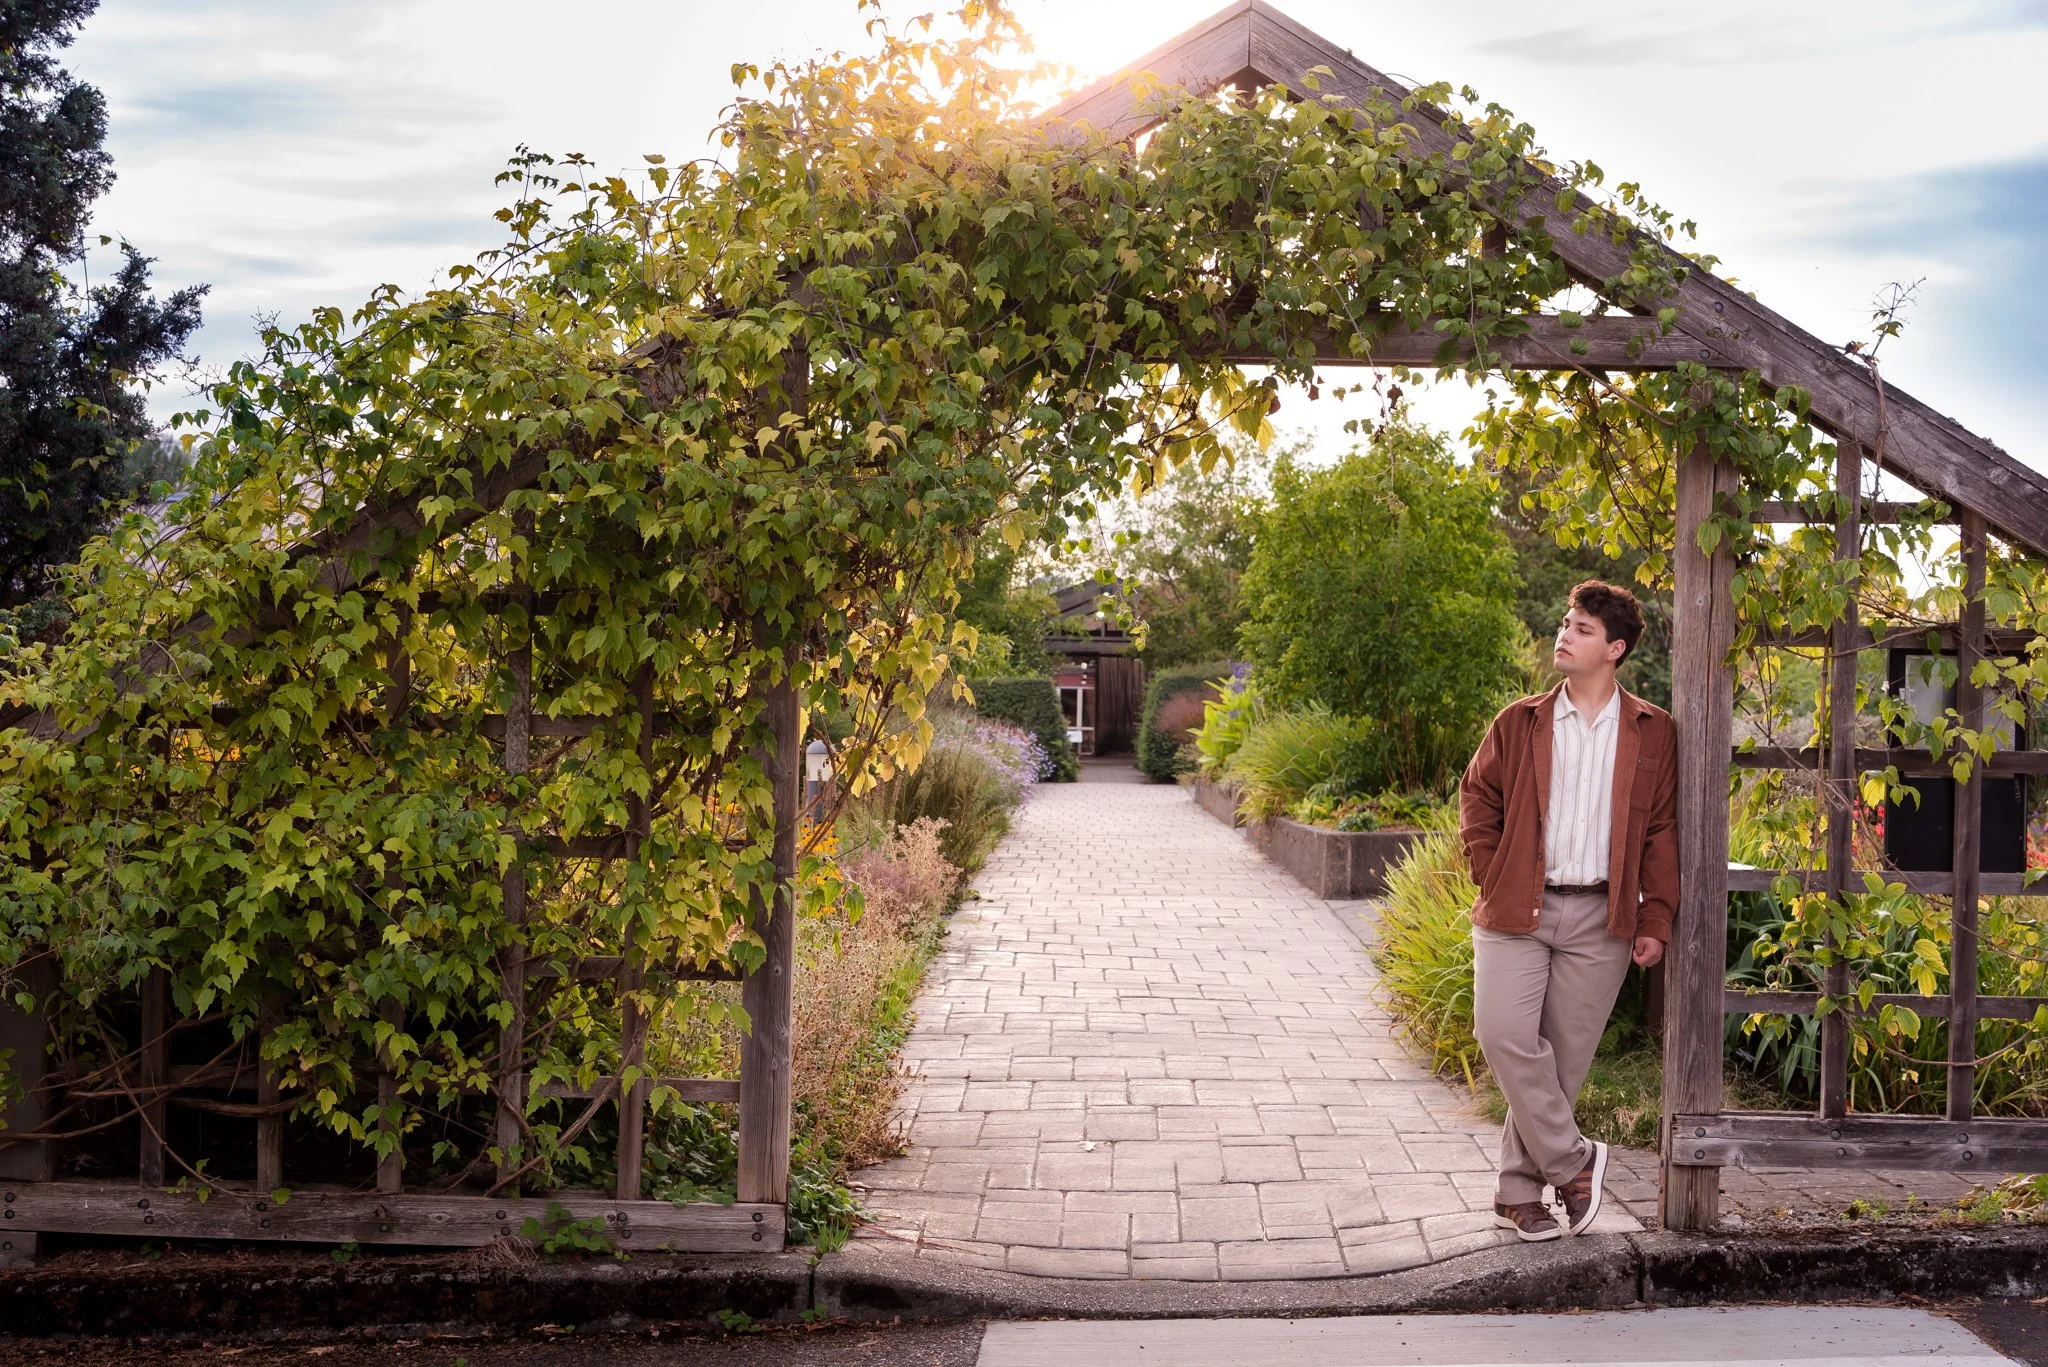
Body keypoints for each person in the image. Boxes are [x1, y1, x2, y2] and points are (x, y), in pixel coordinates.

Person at [1458, 579, 1677, 1241]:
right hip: (1516, 904)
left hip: (1601, 917)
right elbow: (1478, 796)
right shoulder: (1520, 720)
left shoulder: (1653, 730)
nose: (1565, 633)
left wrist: (1655, 916)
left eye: (1581, 628)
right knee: (1501, 1033)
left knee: (1559, 1068)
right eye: (1565, 621)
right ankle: (1574, 1162)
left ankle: (1518, 1194)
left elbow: (1662, 829)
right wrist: (1490, 868)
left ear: (1614, 648)